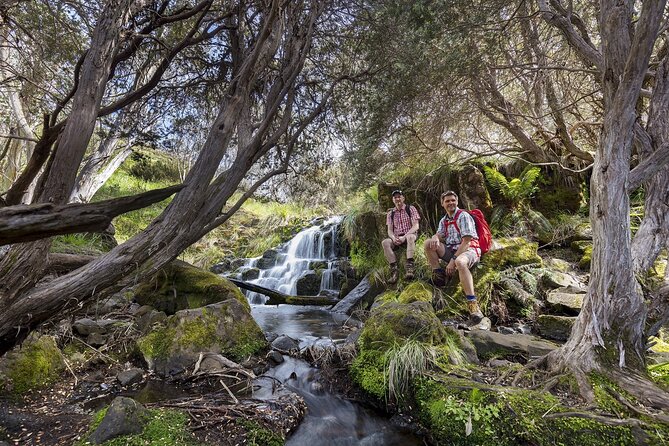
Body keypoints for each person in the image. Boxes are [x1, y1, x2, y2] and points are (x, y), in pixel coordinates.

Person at [424, 190, 484, 323]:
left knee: (461, 263)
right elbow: (439, 235)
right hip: (452, 250)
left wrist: (452, 261)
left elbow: (467, 242)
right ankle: (439, 275)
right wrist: (435, 237)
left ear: (456, 202)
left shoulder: (463, 216)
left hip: (469, 250)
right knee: (428, 243)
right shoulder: (444, 220)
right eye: (447, 201)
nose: (450, 203)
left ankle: (472, 304)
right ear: (442, 204)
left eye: (453, 200)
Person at [382, 189, 420, 284]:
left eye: (399, 197)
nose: (397, 199)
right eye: (395, 197)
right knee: (385, 242)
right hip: (397, 238)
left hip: (409, 235)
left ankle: (410, 267)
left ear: (403, 198)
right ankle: (394, 270)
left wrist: (405, 236)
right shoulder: (390, 213)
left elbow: (416, 226)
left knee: (410, 237)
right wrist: (394, 238)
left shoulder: (410, 209)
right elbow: (390, 230)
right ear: (393, 200)